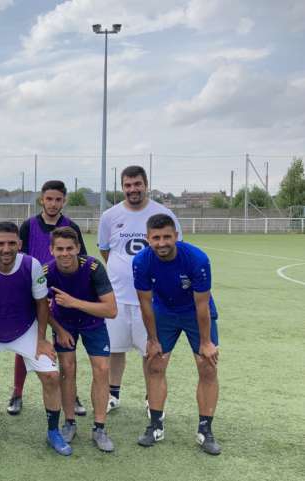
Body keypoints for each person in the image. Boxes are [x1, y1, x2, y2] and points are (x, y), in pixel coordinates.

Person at [0, 221, 71, 456]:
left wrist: (42, 339)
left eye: (12, 243)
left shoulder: (31, 266)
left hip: (26, 329)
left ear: (20, 244)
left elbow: (42, 305)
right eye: (0, 243)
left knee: (52, 376)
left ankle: (53, 431)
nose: (6, 248)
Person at [133, 214, 221, 455]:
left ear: (176, 236)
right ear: (148, 238)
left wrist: (205, 342)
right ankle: (155, 425)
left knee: (207, 366)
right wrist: (152, 340)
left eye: (167, 237)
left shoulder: (196, 258)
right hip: (164, 313)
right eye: (156, 238)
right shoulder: (141, 261)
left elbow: (201, 304)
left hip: (196, 313)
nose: (162, 243)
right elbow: (145, 303)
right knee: (155, 365)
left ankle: (205, 430)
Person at [97, 166, 182, 414]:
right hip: (117, 297)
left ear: (146, 184)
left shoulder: (163, 213)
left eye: (137, 184)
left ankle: (150, 398)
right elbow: (106, 250)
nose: (133, 189)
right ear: (122, 187)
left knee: (151, 351)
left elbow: (174, 251)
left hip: (151, 299)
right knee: (115, 348)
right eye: (128, 185)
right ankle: (113, 394)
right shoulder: (110, 216)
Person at [10, 180, 88, 416]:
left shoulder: (71, 226)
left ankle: (71, 394)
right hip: (31, 294)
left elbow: (81, 260)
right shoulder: (28, 225)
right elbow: (19, 261)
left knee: (67, 347)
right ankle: (17, 393)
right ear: (42, 200)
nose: (53, 203)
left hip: (62, 295)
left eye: (58, 199)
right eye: (49, 199)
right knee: (23, 344)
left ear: (64, 201)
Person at [44, 227, 118, 452]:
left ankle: (99, 427)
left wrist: (74, 302)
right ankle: (69, 422)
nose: (65, 253)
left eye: (69, 248)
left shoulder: (93, 267)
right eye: (60, 249)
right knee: (67, 368)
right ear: (52, 250)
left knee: (102, 369)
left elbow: (111, 309)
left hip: (93, 323)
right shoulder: (46, 272)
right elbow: (40, 309)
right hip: (63, 324)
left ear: (77, 248)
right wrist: (58, 329)